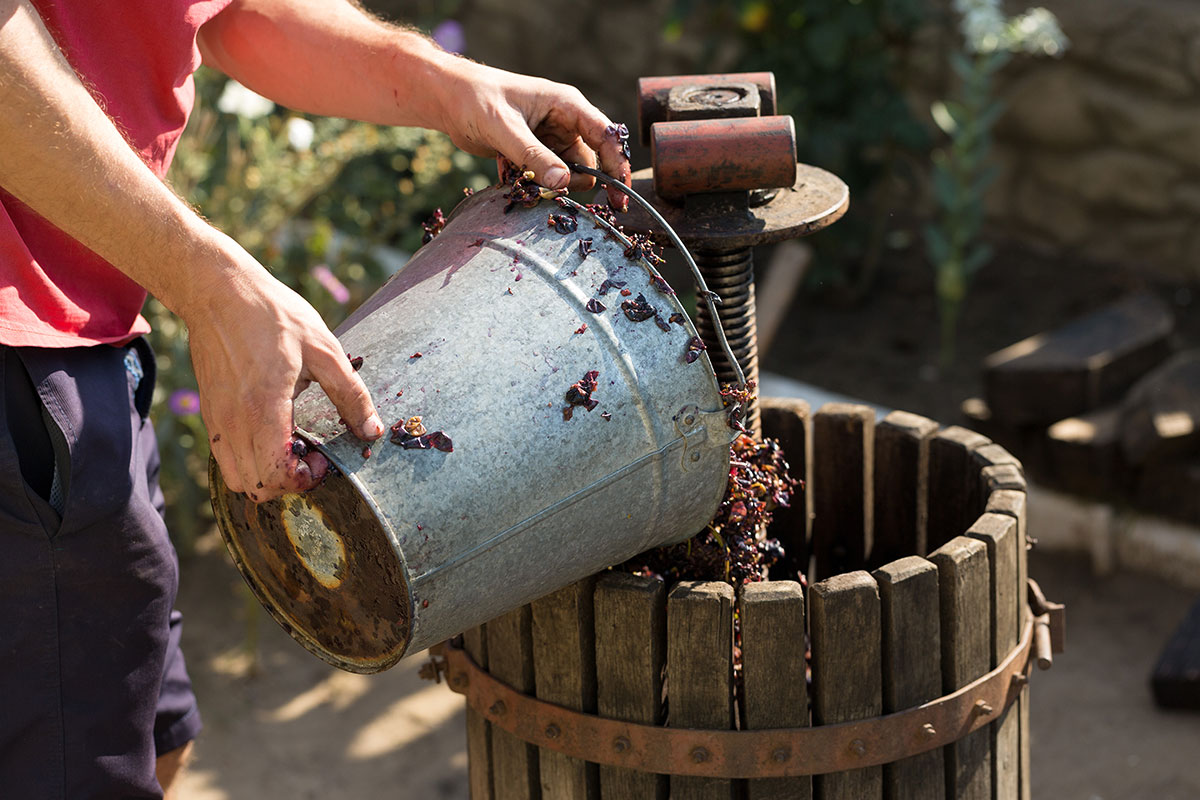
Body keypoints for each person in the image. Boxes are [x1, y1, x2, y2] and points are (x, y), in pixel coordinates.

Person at [0, 0, 632, 795]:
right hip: (17, 358)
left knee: (151, 738)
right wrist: (211, 284)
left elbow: (233, 15)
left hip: (83, 336)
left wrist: (446, 83)